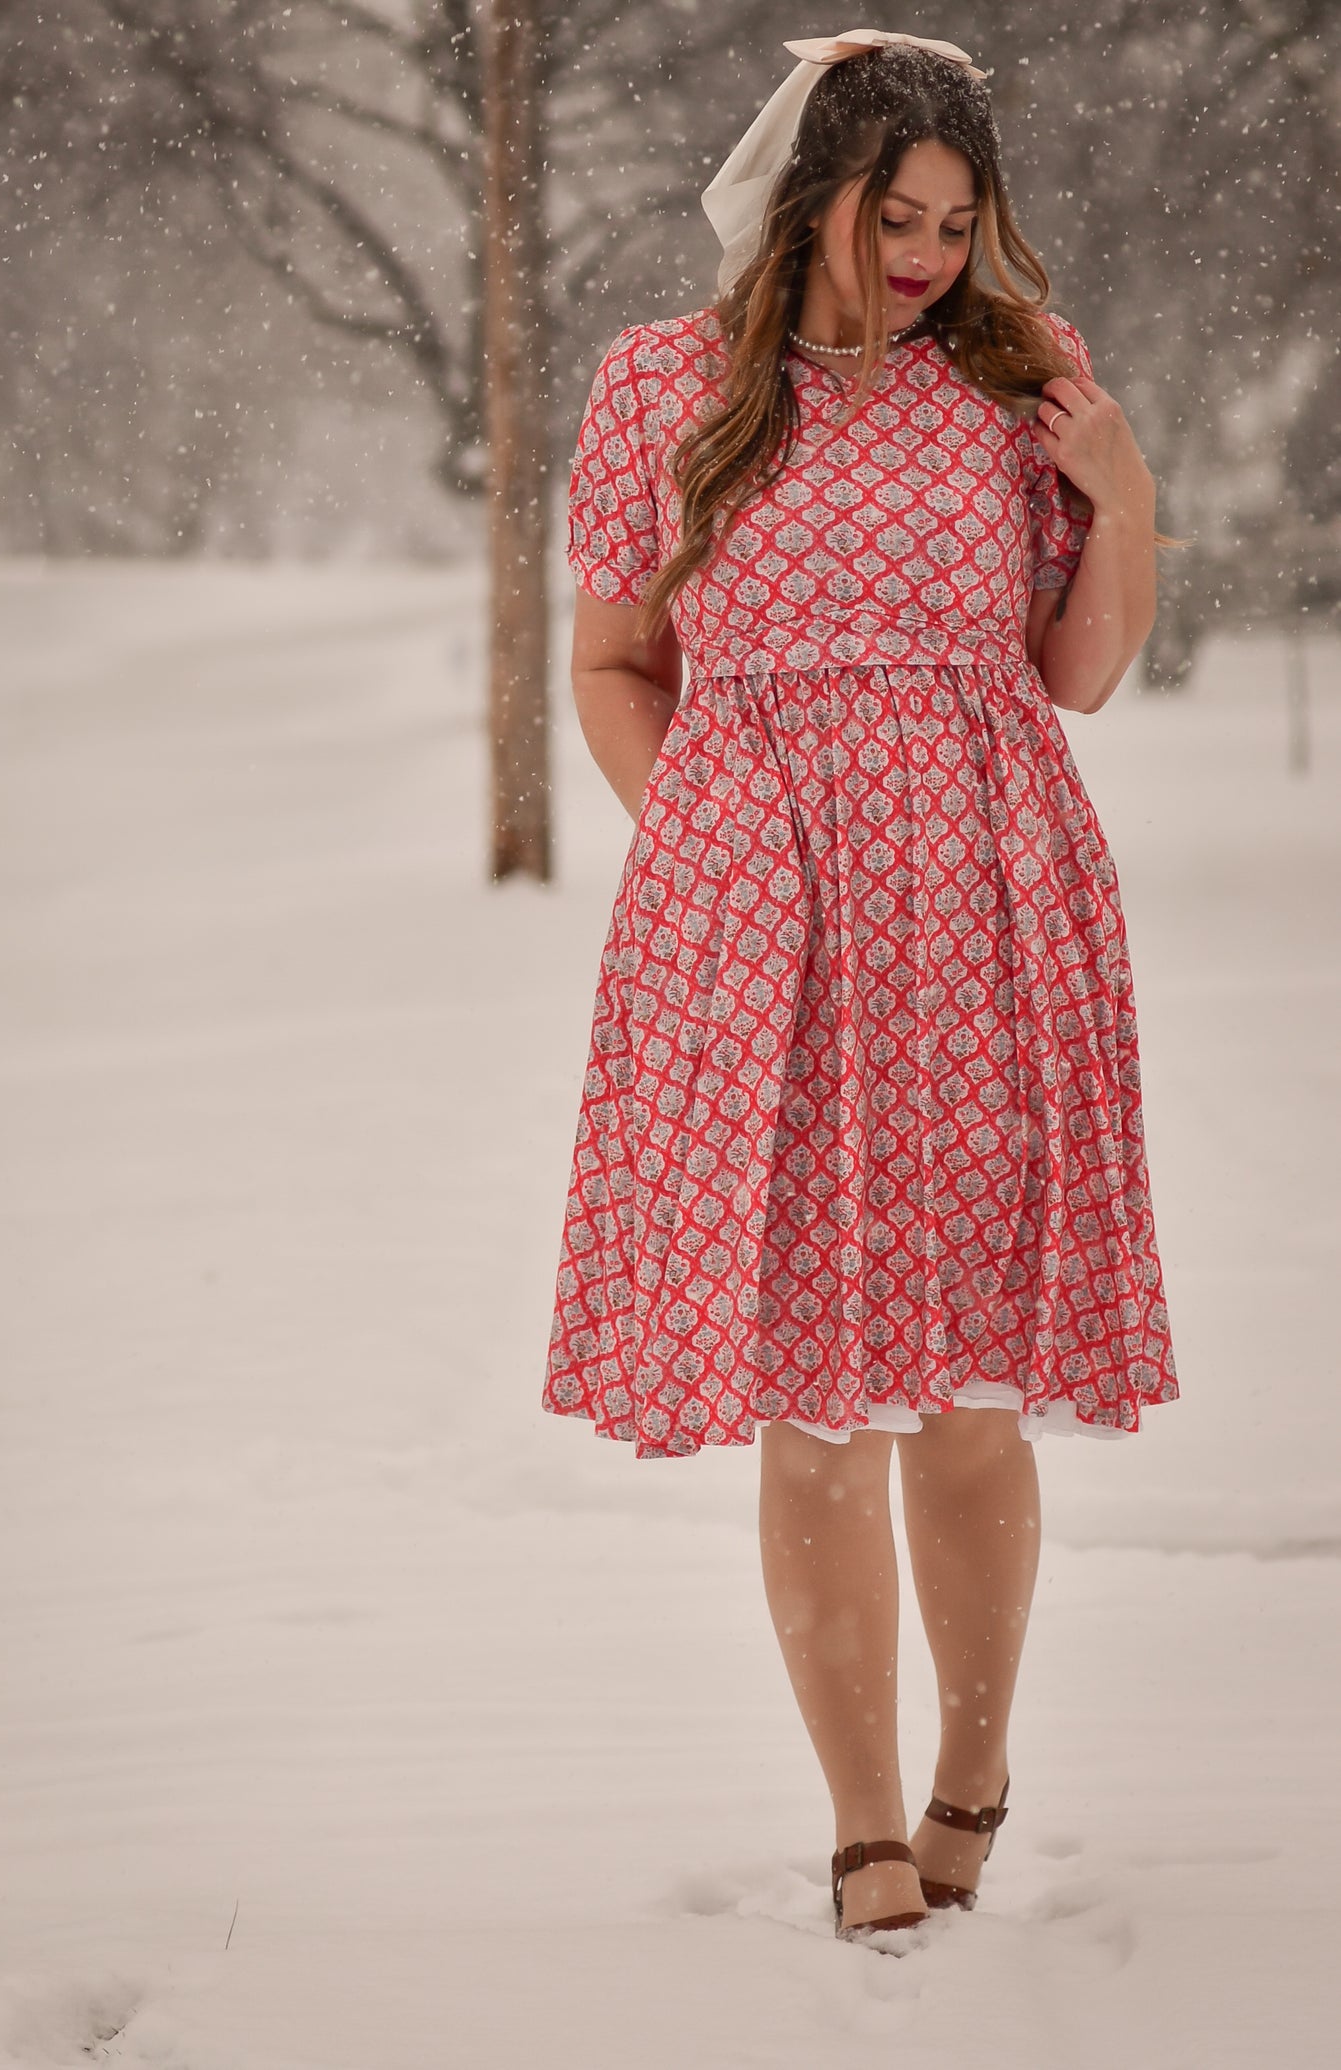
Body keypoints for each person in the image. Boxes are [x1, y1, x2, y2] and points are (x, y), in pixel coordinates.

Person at [541, 28, 1180, 1950]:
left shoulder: (1019, 381)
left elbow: (1075, 674)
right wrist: (709, 845)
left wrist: (1123, 492)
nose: (920, 250)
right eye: (890, 211)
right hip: (756, 935)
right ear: (811, 189)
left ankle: (972, 1769)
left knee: (967, 1389)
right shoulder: (665, 383)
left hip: (984, 911)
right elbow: (610, 663)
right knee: (812, 1396)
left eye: (953, 220)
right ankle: (856, 1814)